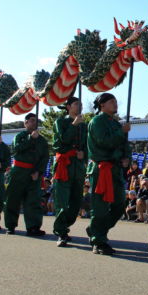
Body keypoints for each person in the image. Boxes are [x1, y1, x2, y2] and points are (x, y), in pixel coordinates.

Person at [86, 93, 131, 255]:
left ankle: (95, 229)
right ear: (102, 105)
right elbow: (104, 141)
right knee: (100, 207)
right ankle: (99, 241)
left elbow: (125, 144)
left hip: (116, 168)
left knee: (119, 205)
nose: (115, 104)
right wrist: (121, 132)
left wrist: (127, 157)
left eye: (115, 101)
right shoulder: (97, 121)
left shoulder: (116, 123)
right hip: (102, 168)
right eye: (112, 102)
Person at [4, 113, 49, 236]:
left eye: (36, 121)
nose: (34, 123)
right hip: (18, 172)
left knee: (33, 201)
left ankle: (33, 227)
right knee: (13, 199)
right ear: (26, 123)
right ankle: (11, 225)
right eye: (31, 121)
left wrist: (39, 172)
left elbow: (44, 158)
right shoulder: (20, 136)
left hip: (33, 174)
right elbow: (16, 149)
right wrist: (31, 139)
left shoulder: (42, 141)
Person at [51, 96, 88, 247]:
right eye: (76, 104)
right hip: (64, 165)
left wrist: (84, 154)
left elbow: (87, 144)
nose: (79, 106)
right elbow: (63, 140)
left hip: (78, 166)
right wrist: (74, 124)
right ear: (68, 107)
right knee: (62, 201)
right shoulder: (61, 122)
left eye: (81, 104)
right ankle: (60, 232)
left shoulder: (84, 125)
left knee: (76, 201)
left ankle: (65, 226)